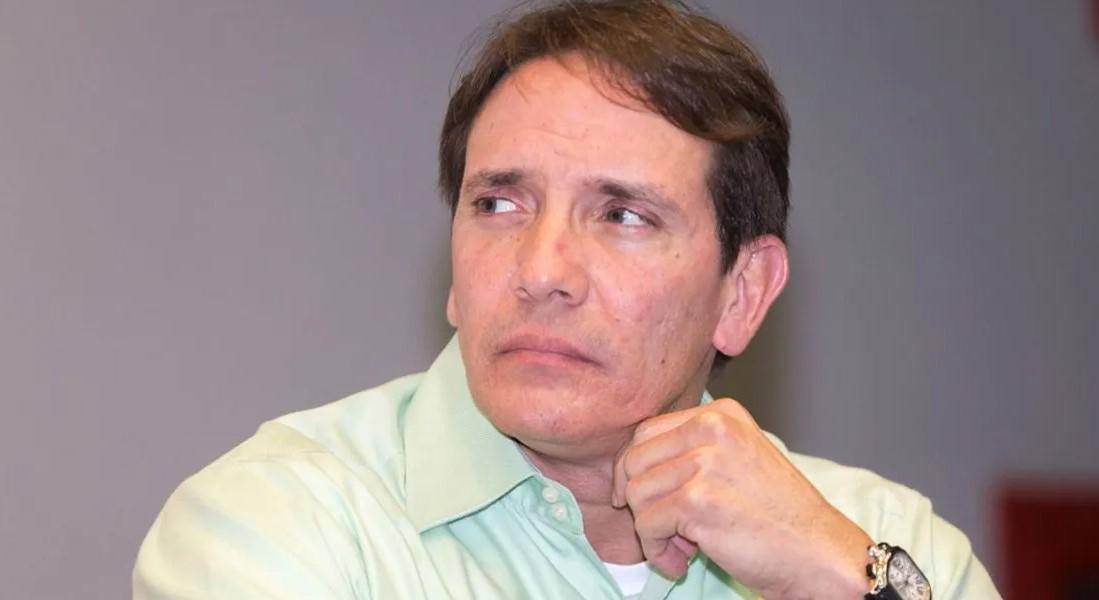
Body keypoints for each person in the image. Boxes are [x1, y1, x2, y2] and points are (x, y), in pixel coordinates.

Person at [134, 1, 998, 598]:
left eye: (622, 215)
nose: (541, 268)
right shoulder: (276, 525)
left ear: (743, 293)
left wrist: (852, 584)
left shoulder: (886, 541)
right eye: (498, 205)